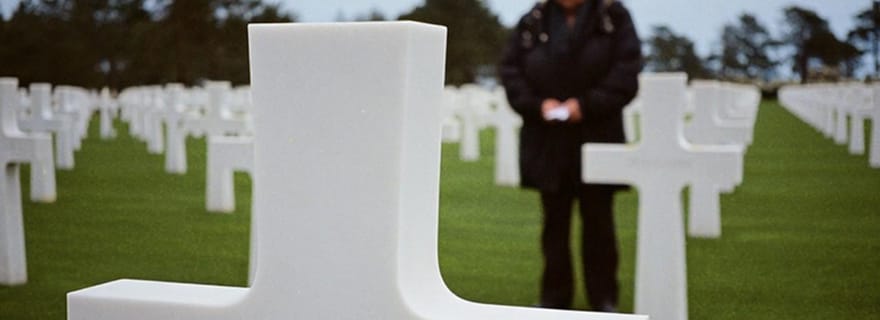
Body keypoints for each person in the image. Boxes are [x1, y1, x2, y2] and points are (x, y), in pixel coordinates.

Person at [499, 0, 642, 312]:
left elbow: (627, 71)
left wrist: (587, 105)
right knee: (554, 224)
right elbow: (511, 71)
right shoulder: (532, 21)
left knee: (599, 224)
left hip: (596, 134)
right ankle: (554, 297)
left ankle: (604, 299)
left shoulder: (612, 17)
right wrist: (538, 105)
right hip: (547, 138)